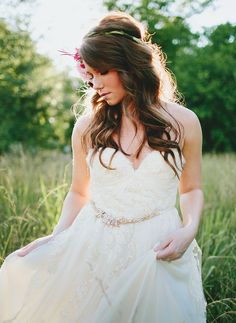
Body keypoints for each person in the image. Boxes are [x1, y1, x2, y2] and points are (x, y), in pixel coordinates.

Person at [0, 11, 207, 323]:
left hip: (158, 247)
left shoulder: (185, 122)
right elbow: (78, 193)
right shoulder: (87, 128)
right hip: (95, 245)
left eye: (102, 72)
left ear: (131, 66)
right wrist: (57, 237)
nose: (95, 84)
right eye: (90, 75)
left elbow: (191, 188)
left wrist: (188, 230)